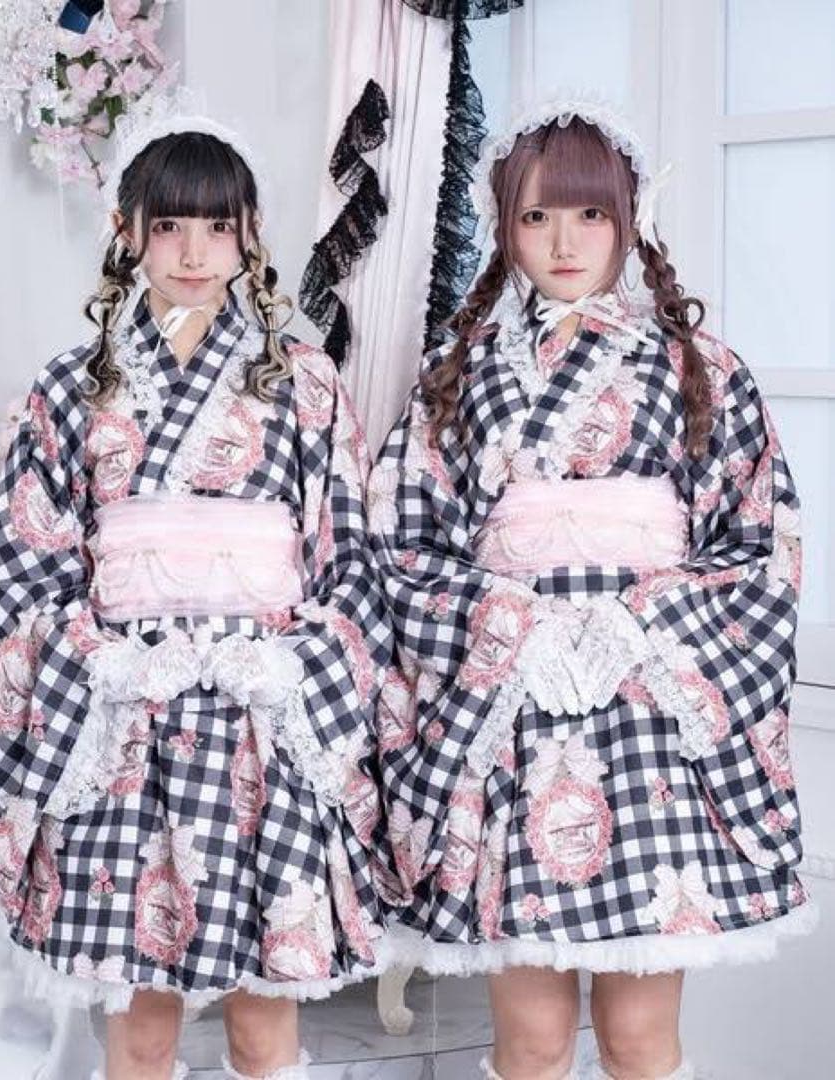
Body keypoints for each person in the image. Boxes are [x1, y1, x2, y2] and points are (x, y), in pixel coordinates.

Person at [367, 99, 815, 1080]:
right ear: (504, 226)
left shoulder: (701, 368)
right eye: (536, 217)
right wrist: (513, 624)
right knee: (529, 1045)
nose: (564, 243)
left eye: (589, 215)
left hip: (651, 713)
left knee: (639, 1043)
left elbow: (760, 540)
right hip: (515, 712)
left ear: (629, 218)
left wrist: (635, 622)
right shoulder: (458, 372)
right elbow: (399, 541)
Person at [0, 97, 391, 1080]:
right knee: (142, 1028)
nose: (195, 252)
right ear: (127, 232)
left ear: (251, 233)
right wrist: (102, 662)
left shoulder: (306, 383)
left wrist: (289, 664)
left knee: (264, 1025)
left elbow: (352, 560)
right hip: (124, 715)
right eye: (169, 225)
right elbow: (25, 565)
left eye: (217, 225)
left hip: (265, 716)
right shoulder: (69, 388)